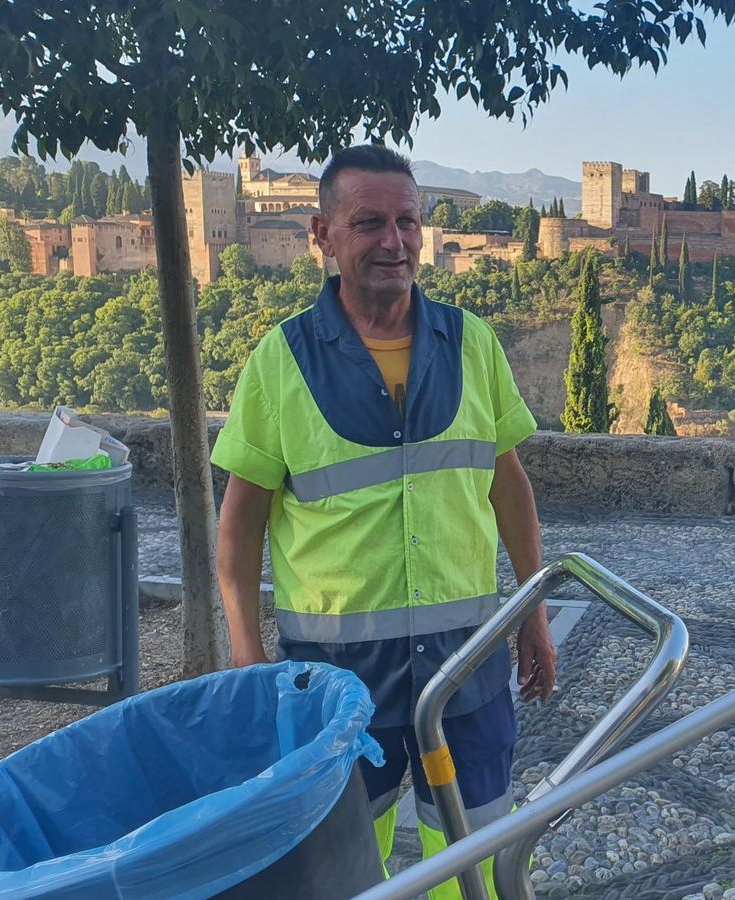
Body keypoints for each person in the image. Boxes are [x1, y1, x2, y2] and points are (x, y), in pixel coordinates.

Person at [212, 144, 556, 898]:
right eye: (369, 223)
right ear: (322, 234)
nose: (393, 241)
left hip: (465, 669)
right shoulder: (281, 361)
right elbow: (238, 524)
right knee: (337, 876)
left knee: (475, 865)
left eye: (407, 221)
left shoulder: (472, 344)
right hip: (336, 684)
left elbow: (509, 487)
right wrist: (244, 651)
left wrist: (531, 612)